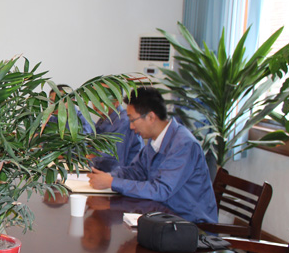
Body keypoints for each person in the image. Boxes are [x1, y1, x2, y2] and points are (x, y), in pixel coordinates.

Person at [88, 87, 217, 224]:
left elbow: (160, 190)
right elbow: (136, 171)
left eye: (132, 120)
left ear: (150, 117)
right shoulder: (155, 140)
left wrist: (112, 183)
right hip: (161, 216)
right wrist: (109, 177)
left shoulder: (183, 144)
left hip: (189, 224)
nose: (131, 126)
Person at [89, 98, 144, 172]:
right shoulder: (102, 121)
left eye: (101, 99)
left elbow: (113, 161)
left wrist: (92, 157)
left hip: (125, 176)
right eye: (93, 98)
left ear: (116, 101)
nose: (95, 103)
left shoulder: (124, 122)